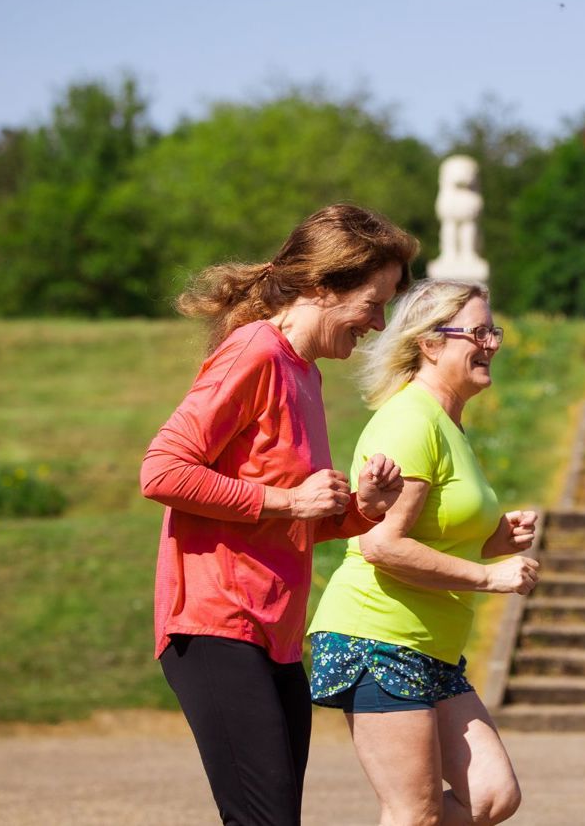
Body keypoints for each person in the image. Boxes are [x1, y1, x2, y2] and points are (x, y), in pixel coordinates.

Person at [140, 203, 419, 826]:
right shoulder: (254, 354)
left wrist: (362, 513)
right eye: (374, 303)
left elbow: (297, 521)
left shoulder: (305, 375)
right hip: (216, 625)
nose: (377, 324)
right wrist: (291, 499)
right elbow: (161, 470)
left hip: (276, 635)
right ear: (323, 287)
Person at [308, 279, 540, 826]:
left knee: (490, 796)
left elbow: (431, 529)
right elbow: (380, 542)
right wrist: (490, 576)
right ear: (430, 343)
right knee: (414, 813)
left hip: (431, 648)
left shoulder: (448, 423)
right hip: (379, 638)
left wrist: (495, 539)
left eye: (494, 333)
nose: (490, 345)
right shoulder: (411, 420)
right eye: (478, 333)